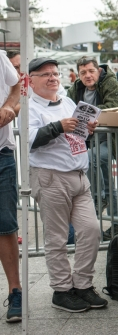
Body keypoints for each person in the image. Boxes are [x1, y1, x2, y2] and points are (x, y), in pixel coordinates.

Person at [24, 57, 107, 313]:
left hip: (79, 176)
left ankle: (82, 284)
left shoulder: (67, 101)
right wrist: (58, 126)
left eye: (55, 73)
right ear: (31, 80)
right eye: (45, 74)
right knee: (57, 239)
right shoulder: (29, 107)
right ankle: (61, 291)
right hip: (51, 177)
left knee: (91, 231)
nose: (52, 77)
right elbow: (31, 140)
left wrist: (87, 129)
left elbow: (76, 134)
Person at [67, 57, 118, 240]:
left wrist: (82, 111)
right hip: (90, 139)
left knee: (91, 157)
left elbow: (113, 106)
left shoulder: (109, 81)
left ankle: (100, 197)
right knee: (108, 179)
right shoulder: (76, 88)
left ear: (98, 71)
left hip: (113, 138)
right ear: (79, 74)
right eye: (83, 72)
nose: (88, 75)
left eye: (91, 71)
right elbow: (66, 108)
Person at [0, 50, 22, 322]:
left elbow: (16, 87)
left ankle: (15, 291)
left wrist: (8, 106)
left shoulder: (0, 57)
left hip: (1, 155)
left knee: (5, 226)